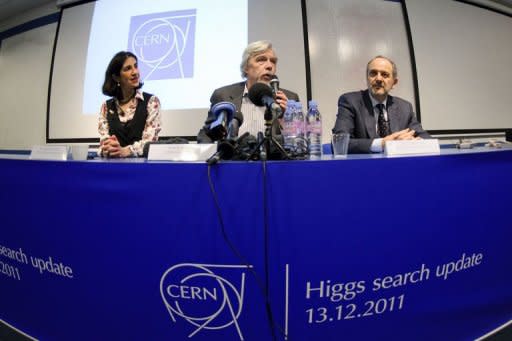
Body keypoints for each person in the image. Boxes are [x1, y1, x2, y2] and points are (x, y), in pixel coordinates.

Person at [197, 40, 299, 143]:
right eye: (261, 60)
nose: (269, 66)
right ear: (246, 67)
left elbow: (299, 141)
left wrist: (287, 118)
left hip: (273, 158)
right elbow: (206, 134)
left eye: (273, 61)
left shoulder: (289, 99)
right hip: (234, 158)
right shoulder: (223, 95)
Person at [332, 55, 430, 153]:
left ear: (394, 83)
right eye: (373, 73)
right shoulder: (350, 101)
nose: (378, 78)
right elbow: (340, 142)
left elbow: (425, 137)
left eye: (384, 74)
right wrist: (383, 143)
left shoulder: (404, 107)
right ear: (367, 78)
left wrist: (413, 142)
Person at [98, 51, 161, 158]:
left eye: (135, 66)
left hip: (141, 168)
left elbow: (150, 143)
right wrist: (107, 149)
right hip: (112, 168)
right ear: (116, 77)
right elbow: (104, 143)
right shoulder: (106, 106)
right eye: (128, 69)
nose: (135, 72)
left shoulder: (151, 101)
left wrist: (125, 151)